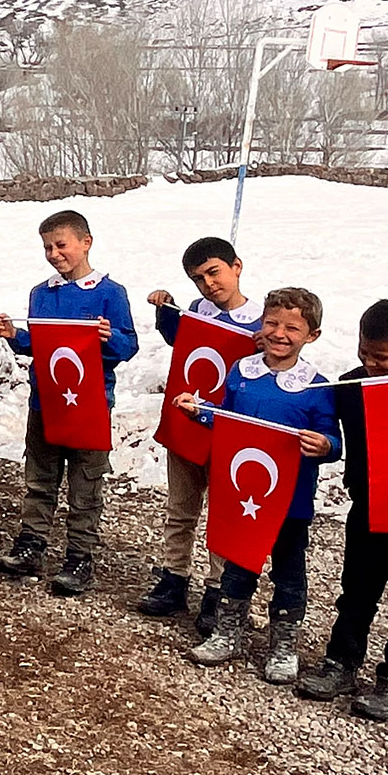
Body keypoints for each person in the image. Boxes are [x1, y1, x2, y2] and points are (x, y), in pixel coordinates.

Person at [173, 286, 340, 682]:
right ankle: (226, 631)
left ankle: (283, 645)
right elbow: (229, 420)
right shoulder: (242, 372)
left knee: (289, 571)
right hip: (243, 496)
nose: (279, 334)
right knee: (238, 564)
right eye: (272, 324)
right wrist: (201, 411)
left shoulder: (317, 386)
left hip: (291, 501)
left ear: (311, 335)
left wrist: (325, 444)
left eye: (292, 328)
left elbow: (331, 439)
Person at [297, 299, 388, 721]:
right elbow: (321, 414)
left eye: (383, 358)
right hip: (366, 505)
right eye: (365, 355)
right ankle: (341, 661)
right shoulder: (350, 386)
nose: (372, 365)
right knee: (356, 590)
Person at [0, 209, 139, 595]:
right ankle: (32, 543)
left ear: (85, 243)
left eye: (61, 245)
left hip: (89, 405)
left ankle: (79, 555)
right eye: (47, 247)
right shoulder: (42, 293)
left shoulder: (110, 293)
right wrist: (15, 335)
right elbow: (43, 346)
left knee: (85, 484)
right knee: (39, 478)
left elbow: (129, 346)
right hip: (46, 402)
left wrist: (110, 340)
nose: (54, 254)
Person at [143, 235, 265, 627]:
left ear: (236, 266)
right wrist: (166, 311)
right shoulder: (197, 311)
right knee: (180, 509)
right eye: (199, 278)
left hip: (229, 429)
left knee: (224, 513)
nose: (209, 284)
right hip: (189, 423)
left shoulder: (264, 322)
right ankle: (173, 577)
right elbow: (181, 342)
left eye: (214, 272)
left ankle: (218, 589)